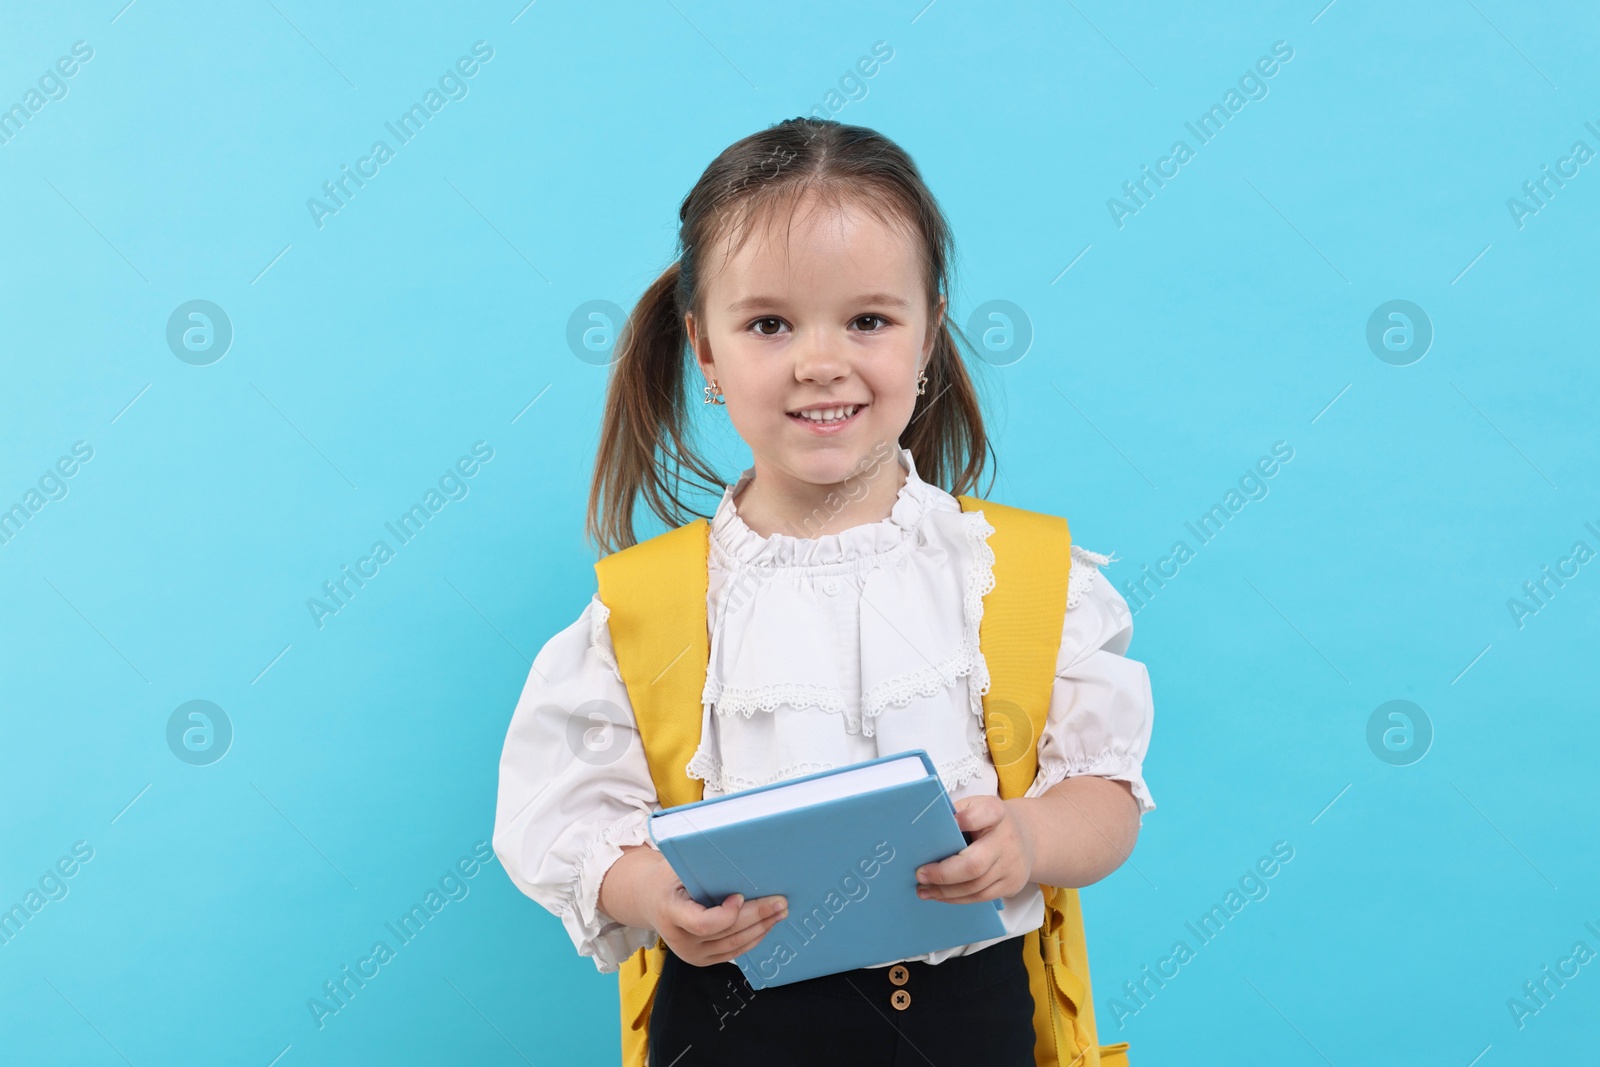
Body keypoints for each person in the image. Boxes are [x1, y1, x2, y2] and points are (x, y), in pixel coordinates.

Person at [492, 116, 1156, 1066]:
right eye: (769, 323)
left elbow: (1109, 792)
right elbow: (562, 822)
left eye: (869, 320)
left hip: (965, 1027)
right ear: (706, 354)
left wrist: (1031, 836)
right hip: (727, 1028)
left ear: (928, 333)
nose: (820, 360)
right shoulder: (644, 609)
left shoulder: (1021, 578)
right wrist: (651, 898)